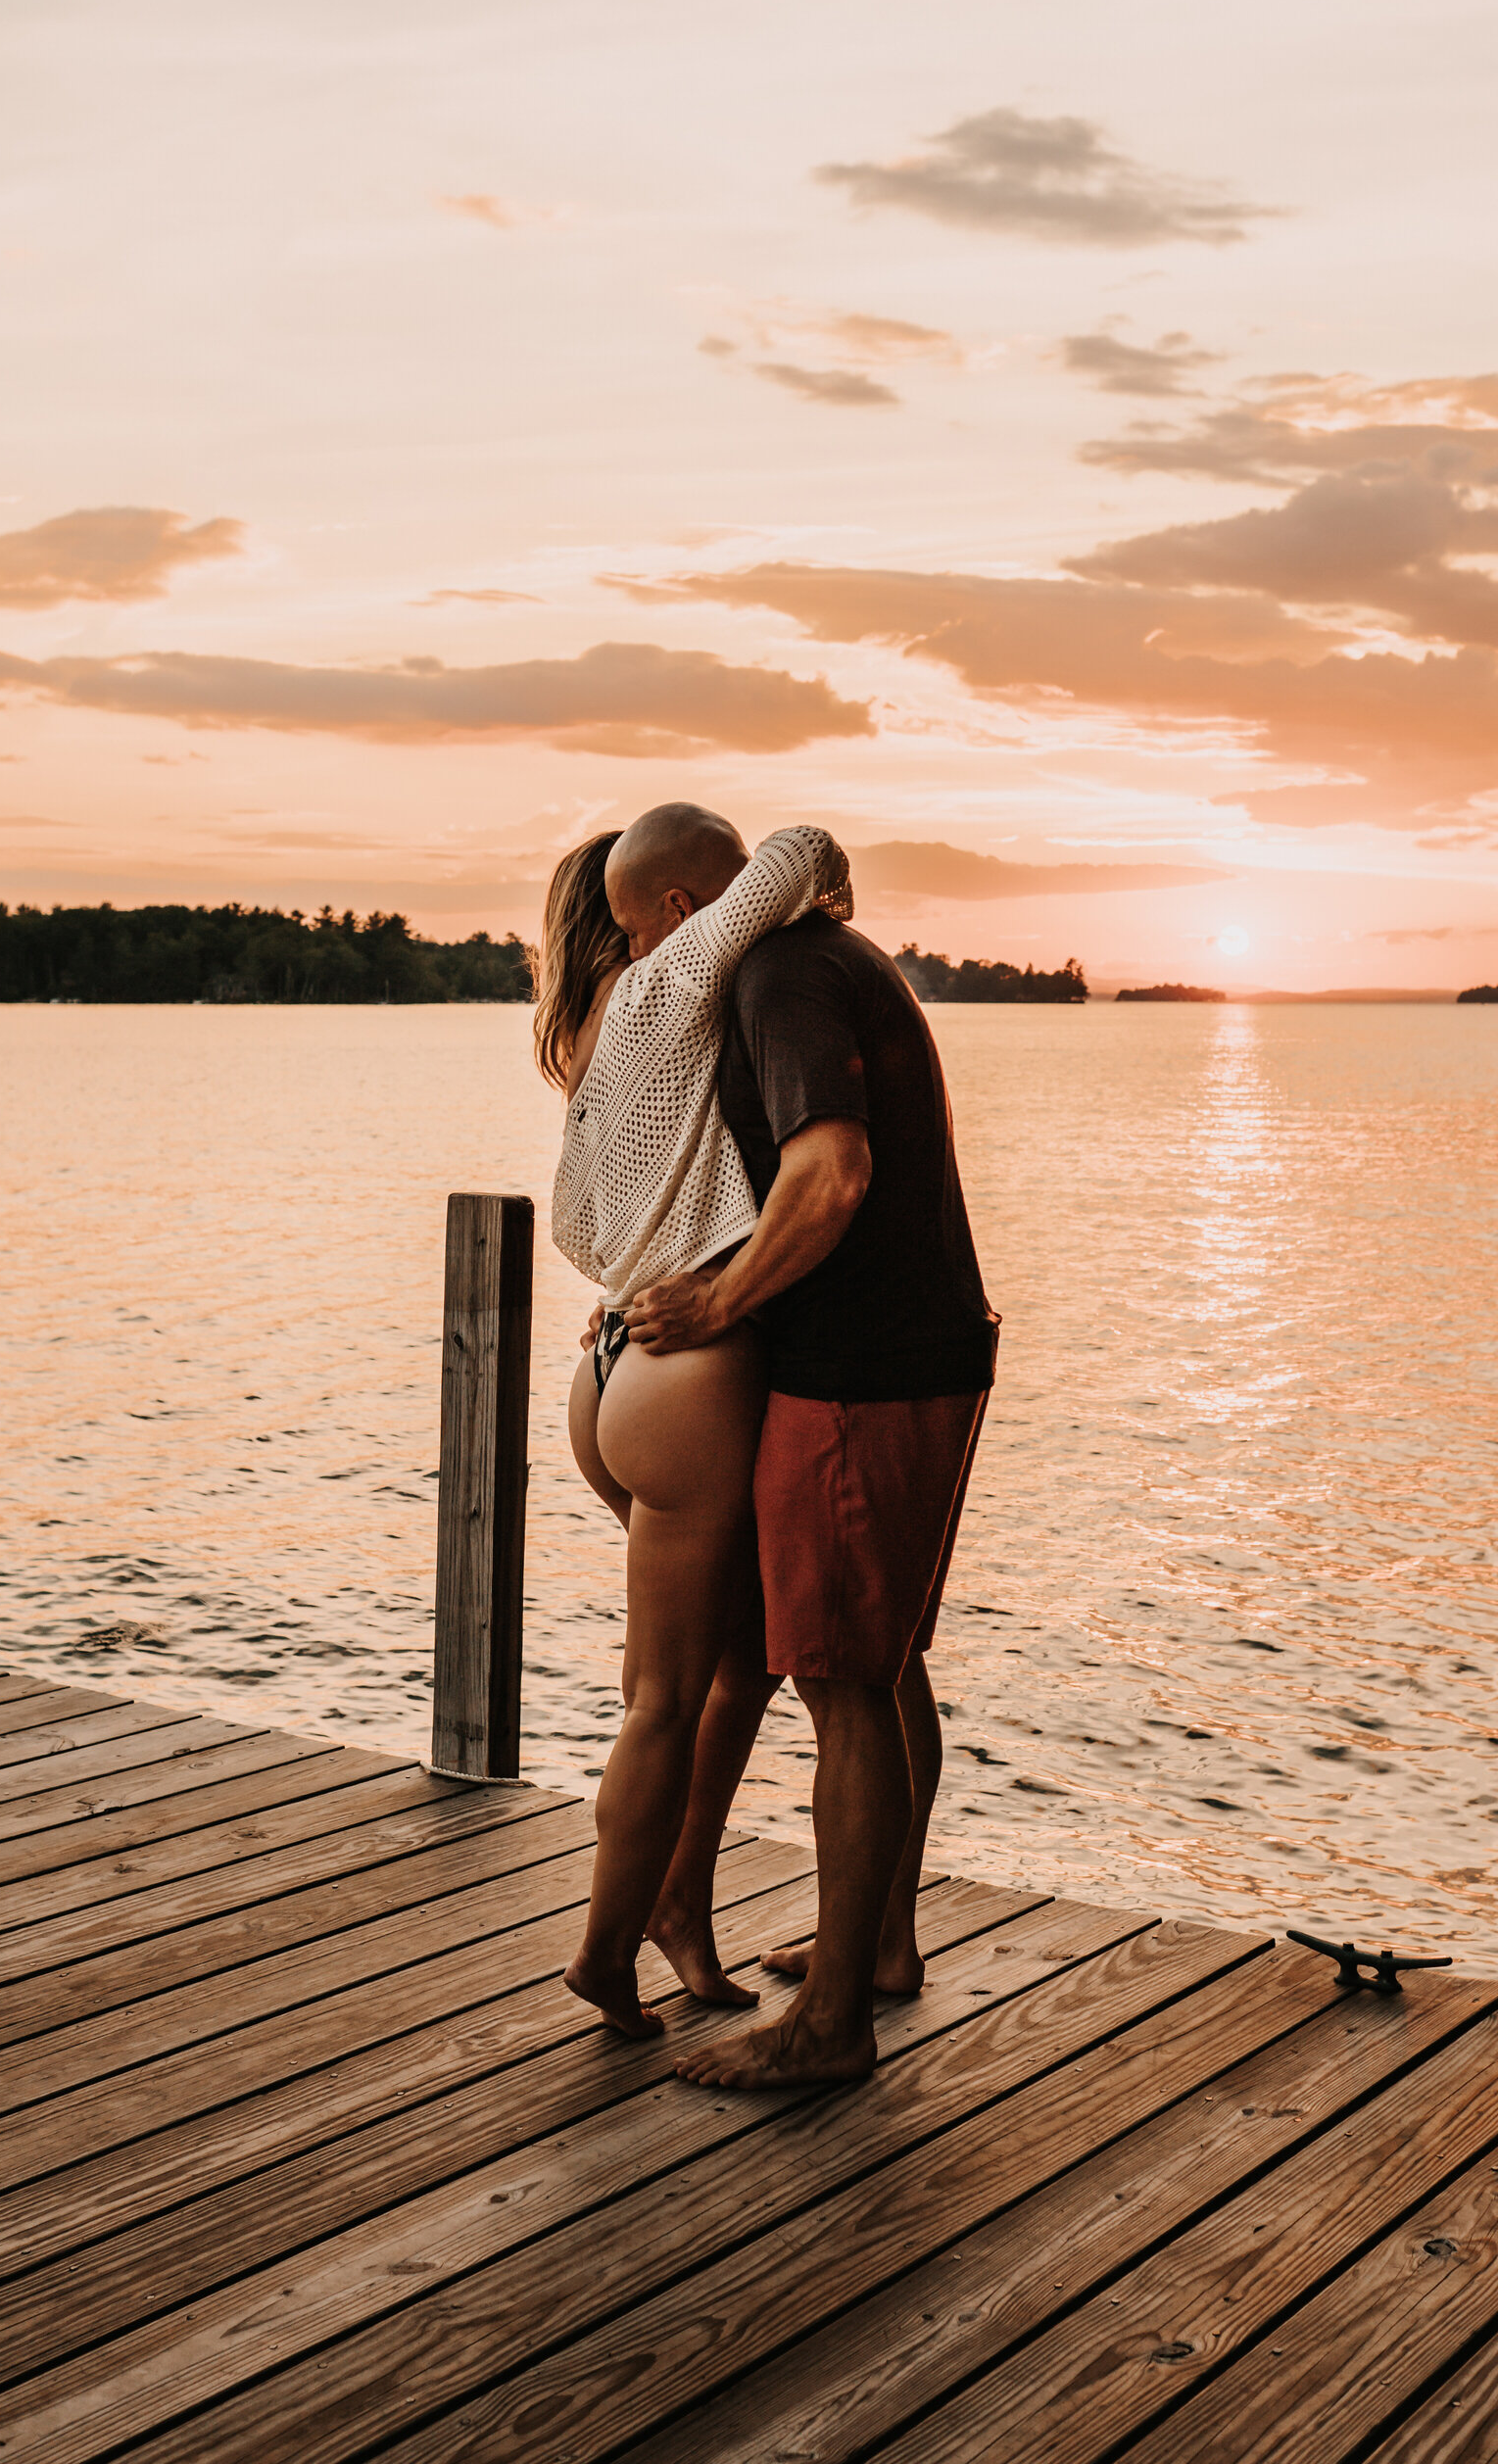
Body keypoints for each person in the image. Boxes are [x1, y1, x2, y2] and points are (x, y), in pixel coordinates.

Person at [619, 836, 998, 2089]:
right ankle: (878, 1950)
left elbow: (830, 1174)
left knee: (839, 1683)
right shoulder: (834, 956)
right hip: (920, 1349)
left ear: (681, 908)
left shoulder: (774, 975)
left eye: (635, 934)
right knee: (888, 1672)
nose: (639, 963)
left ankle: (828, 2026)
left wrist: (717, 1305)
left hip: (859, 1375)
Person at [537, 805, 851, 2039]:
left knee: (726, 1664)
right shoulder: (674, 975)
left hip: (612, 1361)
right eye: (711, 899)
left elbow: (589, 1213)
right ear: (677, 908)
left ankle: (675, 1914)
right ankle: (605, 1953)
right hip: (688, 1371)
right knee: (667, 1697)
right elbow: (801, 848)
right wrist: (803, 890)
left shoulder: (605, 1017)